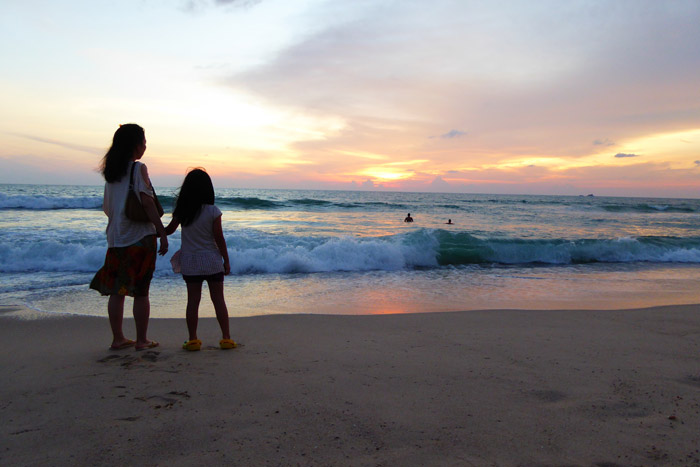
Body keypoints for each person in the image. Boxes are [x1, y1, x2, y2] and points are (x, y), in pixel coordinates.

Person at [90, 124, 167, 351]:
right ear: (135, 145)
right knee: (141, 292)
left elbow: (107, 208)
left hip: (116, 238)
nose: (145, 146)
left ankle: (118, 338)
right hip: (140, 238)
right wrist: (161, 231)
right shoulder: (138, 168)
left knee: (117, 291)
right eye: (144, 142)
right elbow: (147, 202)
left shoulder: (111, 174)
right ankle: (142, 340)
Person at [165, 168, 235, 351]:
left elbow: (169, 230)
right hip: (212, 261)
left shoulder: (183, 211)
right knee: (218, 300)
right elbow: (219, 239)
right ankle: (226, 338)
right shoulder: (213, 211)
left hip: (191, 262)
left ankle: (193, 339)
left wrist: (152, 229)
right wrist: (226, 260)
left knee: (193, 301)